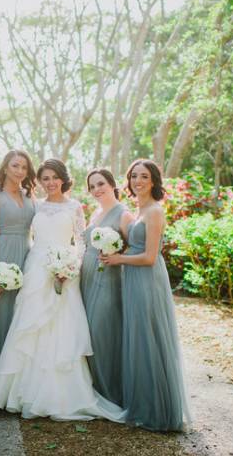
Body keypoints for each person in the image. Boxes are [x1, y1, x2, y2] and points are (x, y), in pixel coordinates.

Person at [0, 159, 124, 422]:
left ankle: (62, 395)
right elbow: (26, 235)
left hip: (65, 269)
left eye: (54, 177)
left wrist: (70, 267)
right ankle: (22, 393)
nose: (50, 183)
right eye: (45, 178)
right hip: (36, 267)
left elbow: (81, 241)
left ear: (63, 179)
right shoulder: (35, 205)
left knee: (61, 327)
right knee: (31, 326)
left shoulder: (74, 206)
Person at [100, 159, 191, 431]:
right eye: (133, 176)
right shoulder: (138, 211)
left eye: (144, 176)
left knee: (148, 338)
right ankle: (141, 404)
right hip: (132, 278)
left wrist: (118, 260)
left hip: (147, 279)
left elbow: (151, 257)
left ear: (153, 181)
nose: (138, 181)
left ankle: (158, 411)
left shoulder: (154, 211)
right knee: (137, 338)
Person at [0, 150, 37, 405]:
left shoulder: (30, 196)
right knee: (0, 317)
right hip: (3, 256)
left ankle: (17, 387)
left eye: (24, 167)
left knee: (22, 317)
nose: (20, 171)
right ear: (5, 168)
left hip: (28, 258)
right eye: (15, 166)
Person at [80, 168, 133, 406]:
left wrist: (117, 255)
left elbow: (136, 247)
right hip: (87, 278)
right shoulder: (96, 214)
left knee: (103, 331)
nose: (96, 189)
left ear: (112, 184)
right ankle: (92, 387)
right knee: (89, 332)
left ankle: (110, 391)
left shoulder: (124, 214)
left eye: (100, 183)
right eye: (92, 186)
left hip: (108, 279)